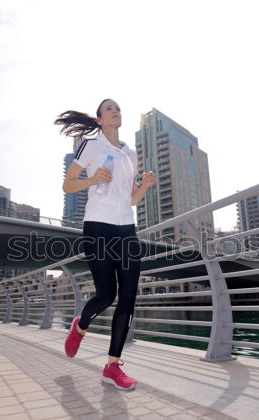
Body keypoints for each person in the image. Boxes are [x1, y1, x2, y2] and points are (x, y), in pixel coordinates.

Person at [55, 99, 155, 389]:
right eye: (109, 109)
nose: (116, 112)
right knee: (105, 295)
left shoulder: (131, 155)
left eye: (118, 109)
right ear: (99, 120)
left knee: (128, 298)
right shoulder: (91, 146)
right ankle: (80, 326)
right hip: (98, 226)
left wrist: (145, 187)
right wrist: (92, 179)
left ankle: (112, 366)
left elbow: (131, 199)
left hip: (126, 229)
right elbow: (68, 184)